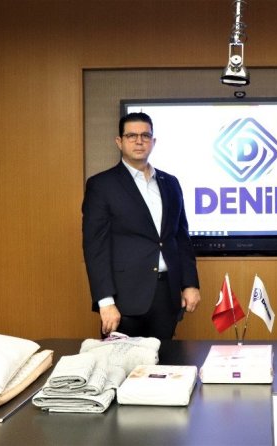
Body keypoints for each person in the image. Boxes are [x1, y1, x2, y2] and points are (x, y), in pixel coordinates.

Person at [82, 112, 201, 340]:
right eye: (131, 136)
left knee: (165, 360)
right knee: (121, 362)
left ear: (153, 141)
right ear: (119, 142)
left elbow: (181, 238)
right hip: (124, 298)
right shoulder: (102, 185)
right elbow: (95, 247)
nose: (139, 141)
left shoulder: (170, 183)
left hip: (167, 295)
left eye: (145, 136)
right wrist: (105, 301)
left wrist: (190, 284)